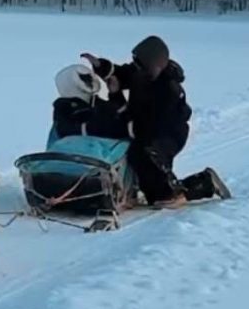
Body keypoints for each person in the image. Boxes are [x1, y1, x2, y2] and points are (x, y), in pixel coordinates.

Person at [82, 35, 231, 207]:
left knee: (156, 183)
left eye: (140, 65)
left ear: (154, 66)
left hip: (168, 134)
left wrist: (118, 100)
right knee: (138, 158)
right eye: (135, 63)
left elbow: (142, 125)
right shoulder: (141, 73)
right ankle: (142, 186)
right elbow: (121, 74)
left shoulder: (168, 91)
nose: (136, 68)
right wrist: (101, 66)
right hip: (147, 128)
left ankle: (206, 182)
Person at [51, 62, 130, 140]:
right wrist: (92, 128)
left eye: (89, 78)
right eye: (83, 78)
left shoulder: (100, 104)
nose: (89, 82)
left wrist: (115, 94)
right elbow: (64, 131)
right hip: (80, 149)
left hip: (111, 148)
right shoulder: (63, 106)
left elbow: (123, 117)